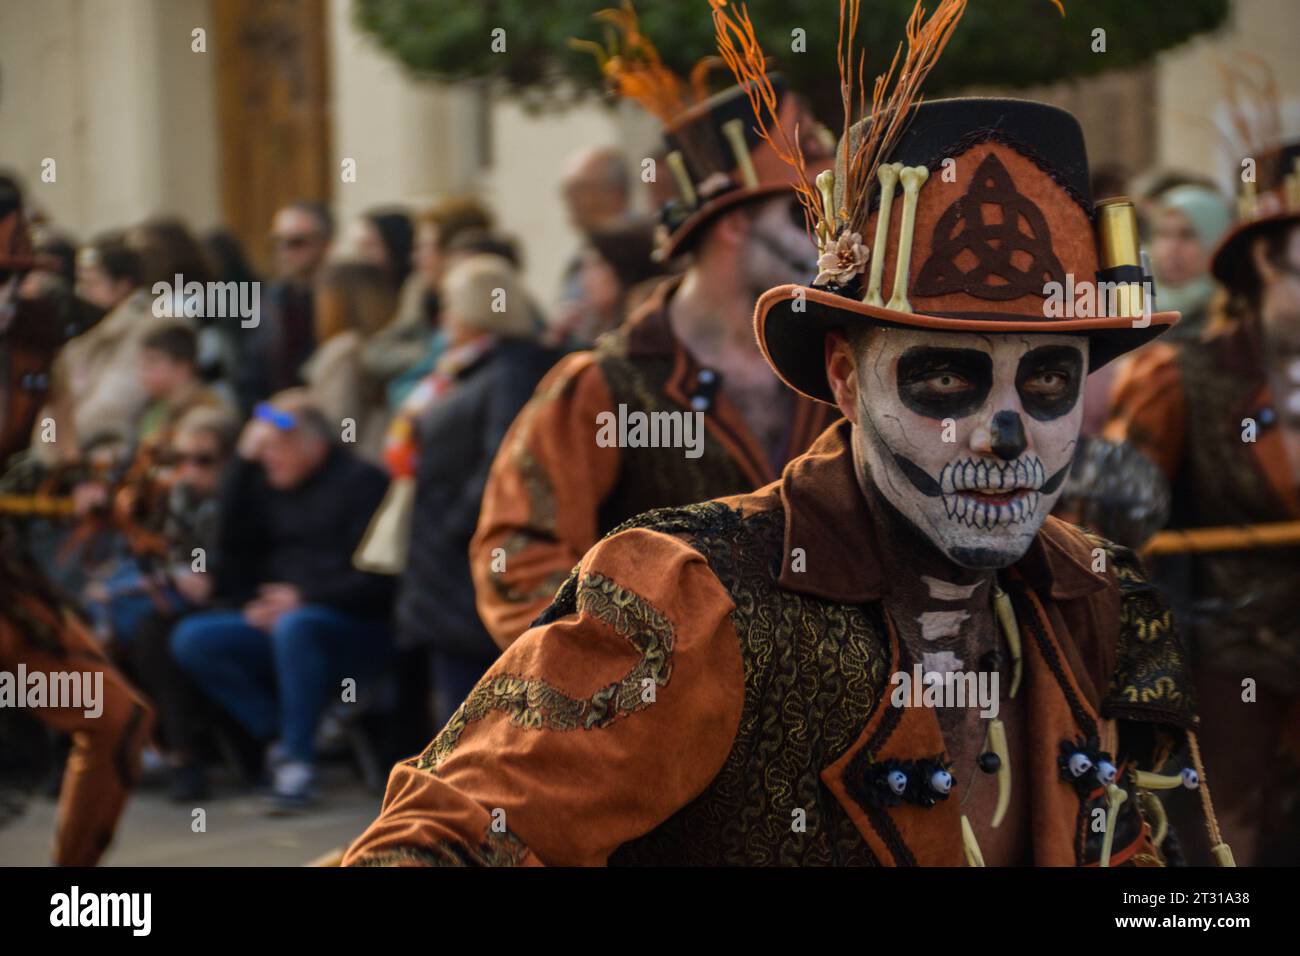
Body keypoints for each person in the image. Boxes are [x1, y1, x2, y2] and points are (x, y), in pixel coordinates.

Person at [344, 0, 1228, 868]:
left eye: (1046, 382)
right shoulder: (682, 601)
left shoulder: (1096, 597)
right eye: (946, 378)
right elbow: (453, 829)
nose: (1006, 435)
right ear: (846, 377)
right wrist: (586, 684)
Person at [469, 9, 836, 649]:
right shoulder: (603, 386)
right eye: (803, 215)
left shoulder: (839, 370)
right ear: (733, 226)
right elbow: (518, 560)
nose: (827, 239)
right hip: (663, 729)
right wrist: (631, 666)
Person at [1104, 136, 1300, 865]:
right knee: (1223, 834)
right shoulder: (1181, 375)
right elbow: (1113, 525)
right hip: (1230, 657)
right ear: (1266, 263)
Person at [0, 177, 153, 865]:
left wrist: (82, 482)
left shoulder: (34, 329)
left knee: (119, 720)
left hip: (8, 583)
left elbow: (54, 434)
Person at [170, 389, 395, 811]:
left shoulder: (363, 483)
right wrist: (240, 460)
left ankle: (298, 763)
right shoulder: (271, 485)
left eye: (274, 448)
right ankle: (283, 733)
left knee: (299, 626)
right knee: (193, 639)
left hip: (353, 626)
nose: (266, 459)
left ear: (312, 445)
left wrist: (305, 599)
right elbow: (229, 542)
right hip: (284, 623)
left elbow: (381, 579)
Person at [368, 255, 562, 738]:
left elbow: (504, 460)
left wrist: (460, 526)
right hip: (441, 556)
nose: (442, 319)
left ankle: (479, 808)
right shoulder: (463, 366)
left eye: (450, 305)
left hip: (467, 555)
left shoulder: (512, 367)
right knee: (453, 698)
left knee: (476, 704)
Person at [239, 201, 334, 406]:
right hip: (277, 421)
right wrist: (271, 418)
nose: (284, 251)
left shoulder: (340, 301)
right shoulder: (267, 304)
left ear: (325, 244)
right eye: (276, 242)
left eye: (296, 242)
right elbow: (250, 381)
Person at [1148, 184, 1234, 343]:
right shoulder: (1137, 312)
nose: (1171, 248)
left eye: (1187, 235)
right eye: (1163, 234)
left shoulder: (1232, 321)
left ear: (1217, 241)